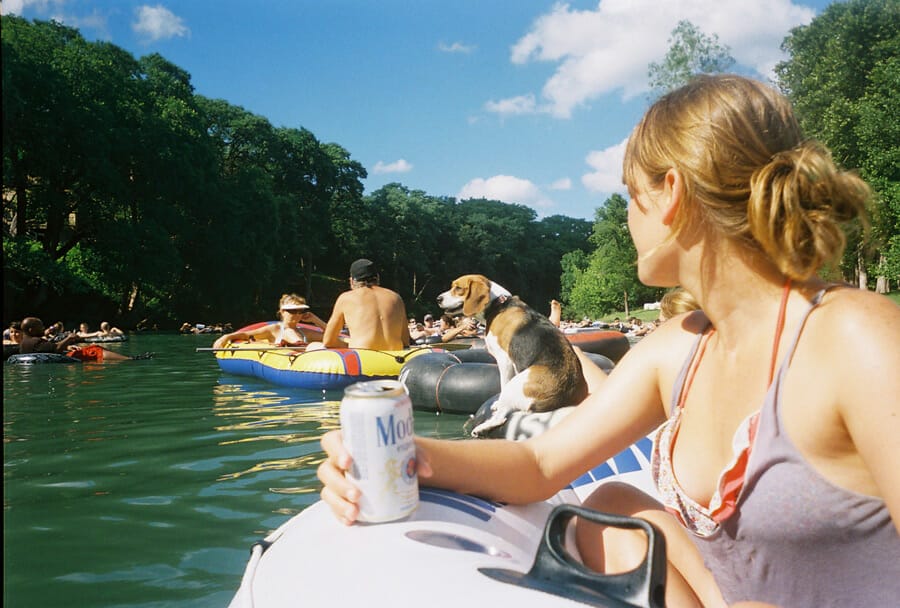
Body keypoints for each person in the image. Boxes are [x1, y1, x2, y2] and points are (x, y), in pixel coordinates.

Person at [318, 75, 899, 607]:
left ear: (669, 193)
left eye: (629, 195)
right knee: (611, 508)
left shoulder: (856, 340)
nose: (627, 218)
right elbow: (541, 462)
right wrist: (400, 458)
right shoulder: (679, 348)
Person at [306, 259, 411, 351]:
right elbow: (405, 341)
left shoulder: (346, 298)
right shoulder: (396, 298)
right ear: (377, 278)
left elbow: (328, 341)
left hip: (362, 357)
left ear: (352, 281)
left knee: (313, 346)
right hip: (393, 359)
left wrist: (349, 344)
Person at [213, 294, 326, 349]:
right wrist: (225, 337)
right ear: (282, 311)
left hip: (308, 357)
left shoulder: (305, 332)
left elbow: (333, 335)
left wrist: (315, 320)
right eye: (292, 311)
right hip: (287, 361)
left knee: (318, 345)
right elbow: (246, 335)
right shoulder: (275, 329)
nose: (297, 314)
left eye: (300, 311)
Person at [19, 317, 135, 361]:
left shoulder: (25, 342)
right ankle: (129, 359)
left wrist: (68, 346)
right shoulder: (35, 341)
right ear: (31, 330)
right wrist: (69, 339)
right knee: (95, 349)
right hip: (58, 358)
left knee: (93, 348)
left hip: (55, 356)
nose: (43, 328)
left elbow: (52, 347)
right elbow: (56, 349)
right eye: (40, 327)